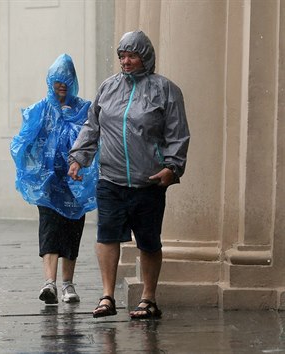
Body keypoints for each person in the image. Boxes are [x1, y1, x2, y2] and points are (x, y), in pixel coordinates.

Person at [68, 30, 190, 319]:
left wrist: (172, 168)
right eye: (122, 55)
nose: (125, 61)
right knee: (106, 236)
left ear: (145, 57)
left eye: (132, 55)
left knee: (148, 240)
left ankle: (148, 298)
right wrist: (78, 158)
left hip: (148, 181)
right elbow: (92, 126)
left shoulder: (166, 90)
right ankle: (107, 296)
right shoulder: (108, 88)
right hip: (110, 180)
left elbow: (178, 133)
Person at [10, 54, 98, 305]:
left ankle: (68, 284)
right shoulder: (40, 110)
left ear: (74, 82)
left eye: (66, 80)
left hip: (75, 180)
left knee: (72, 230)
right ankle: (49, 283)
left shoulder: (84, 110)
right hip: (48, 182)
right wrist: (30, 169)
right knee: (49, 228)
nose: (62, 85)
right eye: (57, 80)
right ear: (49, 81)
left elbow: (92, 139)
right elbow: (23, 142)